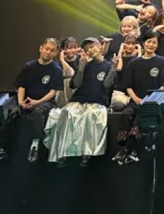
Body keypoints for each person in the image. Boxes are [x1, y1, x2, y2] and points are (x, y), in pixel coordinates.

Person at [45, 37, 114, 167]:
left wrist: (114, 69)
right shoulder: (84, 64)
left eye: (92, 47)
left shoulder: (109, 65)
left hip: (98, 100)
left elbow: (106, 85)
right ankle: (62, 153)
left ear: (100, 46)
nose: (90, 51)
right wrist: (81, 68)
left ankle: (86, 152)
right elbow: (75, 84)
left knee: (90, 115)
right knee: (66, 112)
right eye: (87, 49)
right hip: (79, 99)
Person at [113, 31, 164, 164]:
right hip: (136, 100)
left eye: (154, 42)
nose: (151, 45)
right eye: (148, 41)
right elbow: (128, 85)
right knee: (125, 115)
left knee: (139, 119)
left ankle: (128, 149)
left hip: (154, 102)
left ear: (157, 45)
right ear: (143, 43)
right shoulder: (134, 63)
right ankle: (123, 145)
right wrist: (136, 99)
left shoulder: (162, 62)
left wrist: (149, 100)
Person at [14, 38, 65, 163]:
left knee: (37, 112)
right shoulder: (29, 66)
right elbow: (21, 86)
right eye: (46, 49)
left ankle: (35, 143)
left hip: (46, 102)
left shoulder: (56, 69)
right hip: (27, 100)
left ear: (56, 53)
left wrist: (37, 102)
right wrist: (20, 102)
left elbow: (53, 92)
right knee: (12, 113)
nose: (48, 52)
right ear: (41, 48)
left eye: (52, 50)